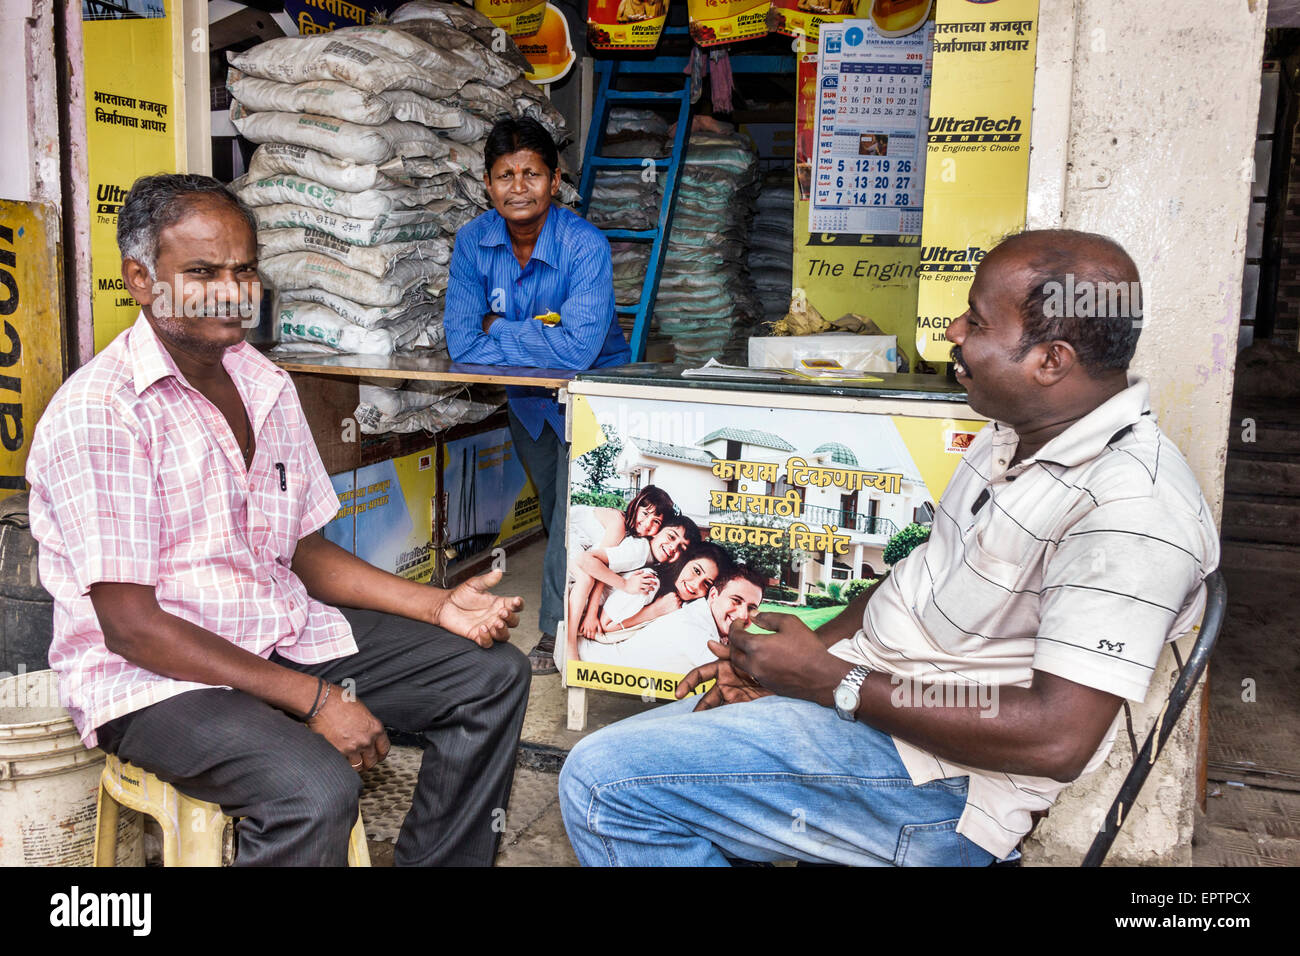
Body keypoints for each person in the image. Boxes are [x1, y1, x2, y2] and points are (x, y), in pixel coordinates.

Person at [558, 229, 1221, 866]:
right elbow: (913, 579)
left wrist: (831, 683)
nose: (952, 335)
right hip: (871, 703)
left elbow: (1057, 739)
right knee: (645, 746)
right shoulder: (1014, 435)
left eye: (977, 321)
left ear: (1052, 362)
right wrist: (794, 663)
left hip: (941, 784)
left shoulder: (1130, 511)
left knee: (603, 786)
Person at [26, 173, 531, 867]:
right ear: (141, 279)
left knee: (491, 676)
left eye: (244, 269)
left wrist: (439, 605)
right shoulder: (103, 412)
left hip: (275, 631)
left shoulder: (264, 384)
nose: (233, 290)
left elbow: (304, 552)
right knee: (310, 788)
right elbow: (132, 626)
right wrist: (316, 699)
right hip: (155, 680)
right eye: (202, 272)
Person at [444, 117, 630, 676]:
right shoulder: (473, 241)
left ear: (554, 181)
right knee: (556, 512)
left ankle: (556, 633)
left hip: (592, 396)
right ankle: (586, 607)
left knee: (575, 512)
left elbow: (577, 353)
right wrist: (534, 340)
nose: (518, 186)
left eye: (532, 173)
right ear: (487, 183)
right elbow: (460, 342)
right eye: (505, 175)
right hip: (528, 399)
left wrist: (498, 327)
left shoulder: (584, 244)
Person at [578, 565, 765, 675]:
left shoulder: (711, 621)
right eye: (736, 601)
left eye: (751, 608)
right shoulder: (692, 625)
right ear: (714, 595)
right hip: (589, 661)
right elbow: (739, 675)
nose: (742, 615)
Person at [568, 513, 699, 652]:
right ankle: (569, 645)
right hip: (573, 575)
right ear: (657, 532)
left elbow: (607, 567)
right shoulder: (639, 550)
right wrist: (625, 585)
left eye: (681, 548)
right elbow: (585, 560)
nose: (673, 547)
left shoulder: (650, 560)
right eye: (671, 537)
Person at [597, 540, 730, 633]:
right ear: (684, 561)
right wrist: (655, 610)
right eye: (696, 571)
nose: (696, 585)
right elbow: (606, 624)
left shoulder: (683, 605)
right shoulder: (650, 582)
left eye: (706, 583)